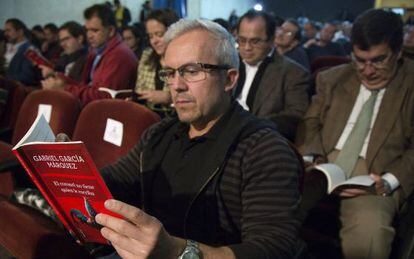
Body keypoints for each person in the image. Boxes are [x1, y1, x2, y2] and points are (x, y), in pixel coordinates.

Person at [96, 18, 302, 259]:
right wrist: (66, 169)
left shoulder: (264, 149)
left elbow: (272, 249)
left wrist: (176, 251)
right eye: (170, 73)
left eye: (191, 71)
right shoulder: (158, 134)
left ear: (229, 79)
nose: (176, 86)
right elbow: (114, 182)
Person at [297, 9, 414, 259]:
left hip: (377, 175)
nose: (368, 71)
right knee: (271, 203)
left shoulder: (410, 84)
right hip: (324, 164)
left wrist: (390, 181)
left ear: (398, 52)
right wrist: (310, 156)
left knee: (369, 234)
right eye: (360, 60)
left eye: (379, 60)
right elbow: (311, 121)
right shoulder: (332, 79)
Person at [234, 9, 310, 141]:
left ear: (271, 40)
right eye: (242, 40)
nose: (246, 47)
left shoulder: (294, 73)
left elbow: (296, 115)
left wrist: (251, 127)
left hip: (260, 139)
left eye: (255, 41)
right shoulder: (228, 63)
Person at [41, 4, 137, 106]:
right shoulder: (97, 50)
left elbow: (105, 98)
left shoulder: (119, 55)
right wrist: (62, 80)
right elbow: (87, 86)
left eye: (95, 30)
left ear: (110, 31)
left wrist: (64, 89)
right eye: (87, 30)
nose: (89, 36)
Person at [134, 9, 178, 116]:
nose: (154, 41)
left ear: (174, 32)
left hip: (175, 118)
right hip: (148, 116)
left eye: (159, 34)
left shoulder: (184, 59)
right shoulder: (147, 56)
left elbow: (196, 96)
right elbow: (140, 89)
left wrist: (169, 97)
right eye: (150, 36)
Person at [3, 18, 38, 86]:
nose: (5, 34)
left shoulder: (30, 50)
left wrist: (4, 78)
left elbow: (26, 77)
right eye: (5, 31)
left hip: (16, 90)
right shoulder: (7, 47)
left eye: (8, 30)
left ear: (20, 32)